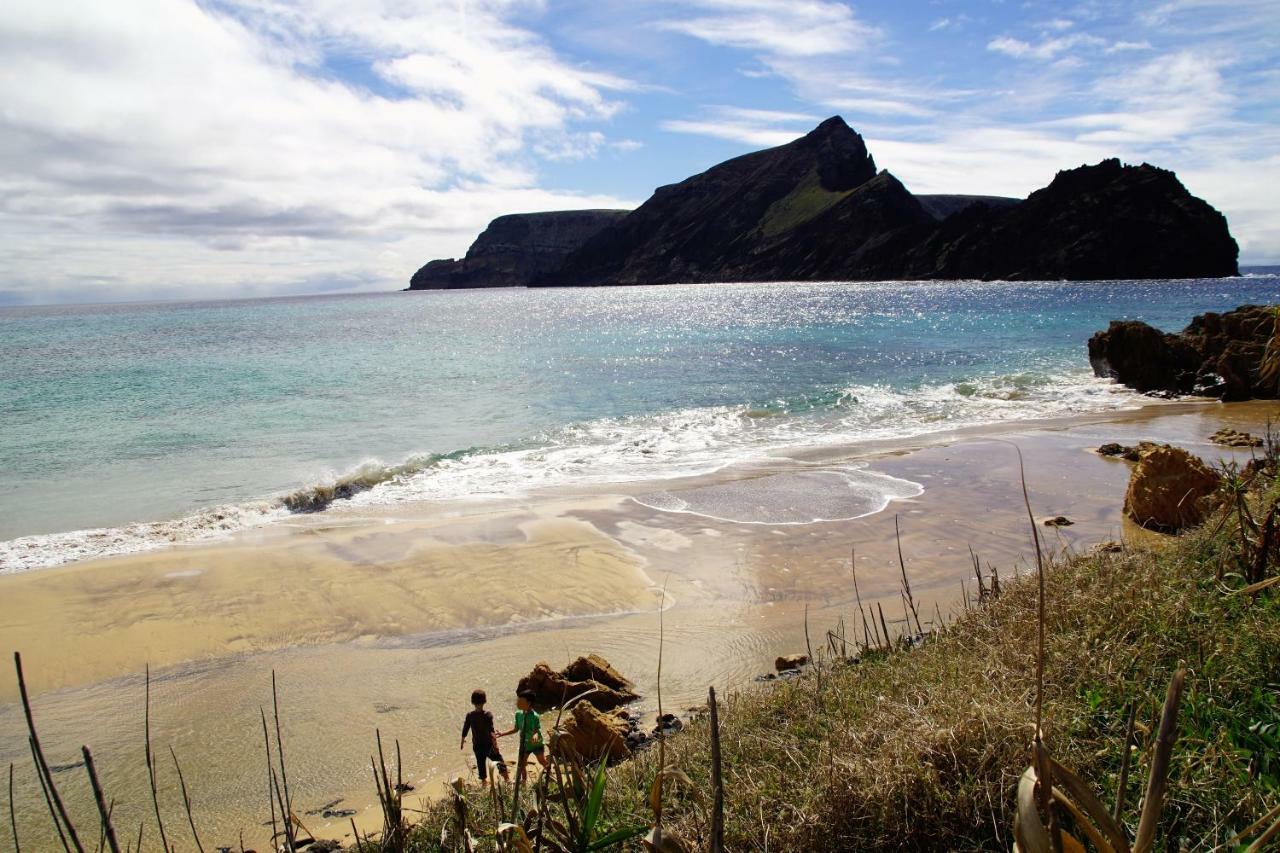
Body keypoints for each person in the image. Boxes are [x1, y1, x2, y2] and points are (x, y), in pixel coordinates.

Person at [460, 688, 509, 785]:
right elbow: (491, 731)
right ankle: (507, 779)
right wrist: (495, 745)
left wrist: (462, 741)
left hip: (477, 746)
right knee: (499, 761)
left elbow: (465, 728)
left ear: (472, 702)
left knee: (480, 763)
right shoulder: (488, 715)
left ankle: (484, 782)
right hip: (488, 745)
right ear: (484, 701)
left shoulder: (470, 715)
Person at [498, 689, 549, 781]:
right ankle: (524, 782)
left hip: (536, 743)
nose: (518, 703)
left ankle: (550, 773)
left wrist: (535, 735)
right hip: (525, 744)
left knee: (541, 761)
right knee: (521, 765)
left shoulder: (534, 716)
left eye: (521, 701)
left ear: (529, 703)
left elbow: (536, 730)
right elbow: (516, 729)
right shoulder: (518, 714)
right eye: (518, 700)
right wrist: (502, 733)